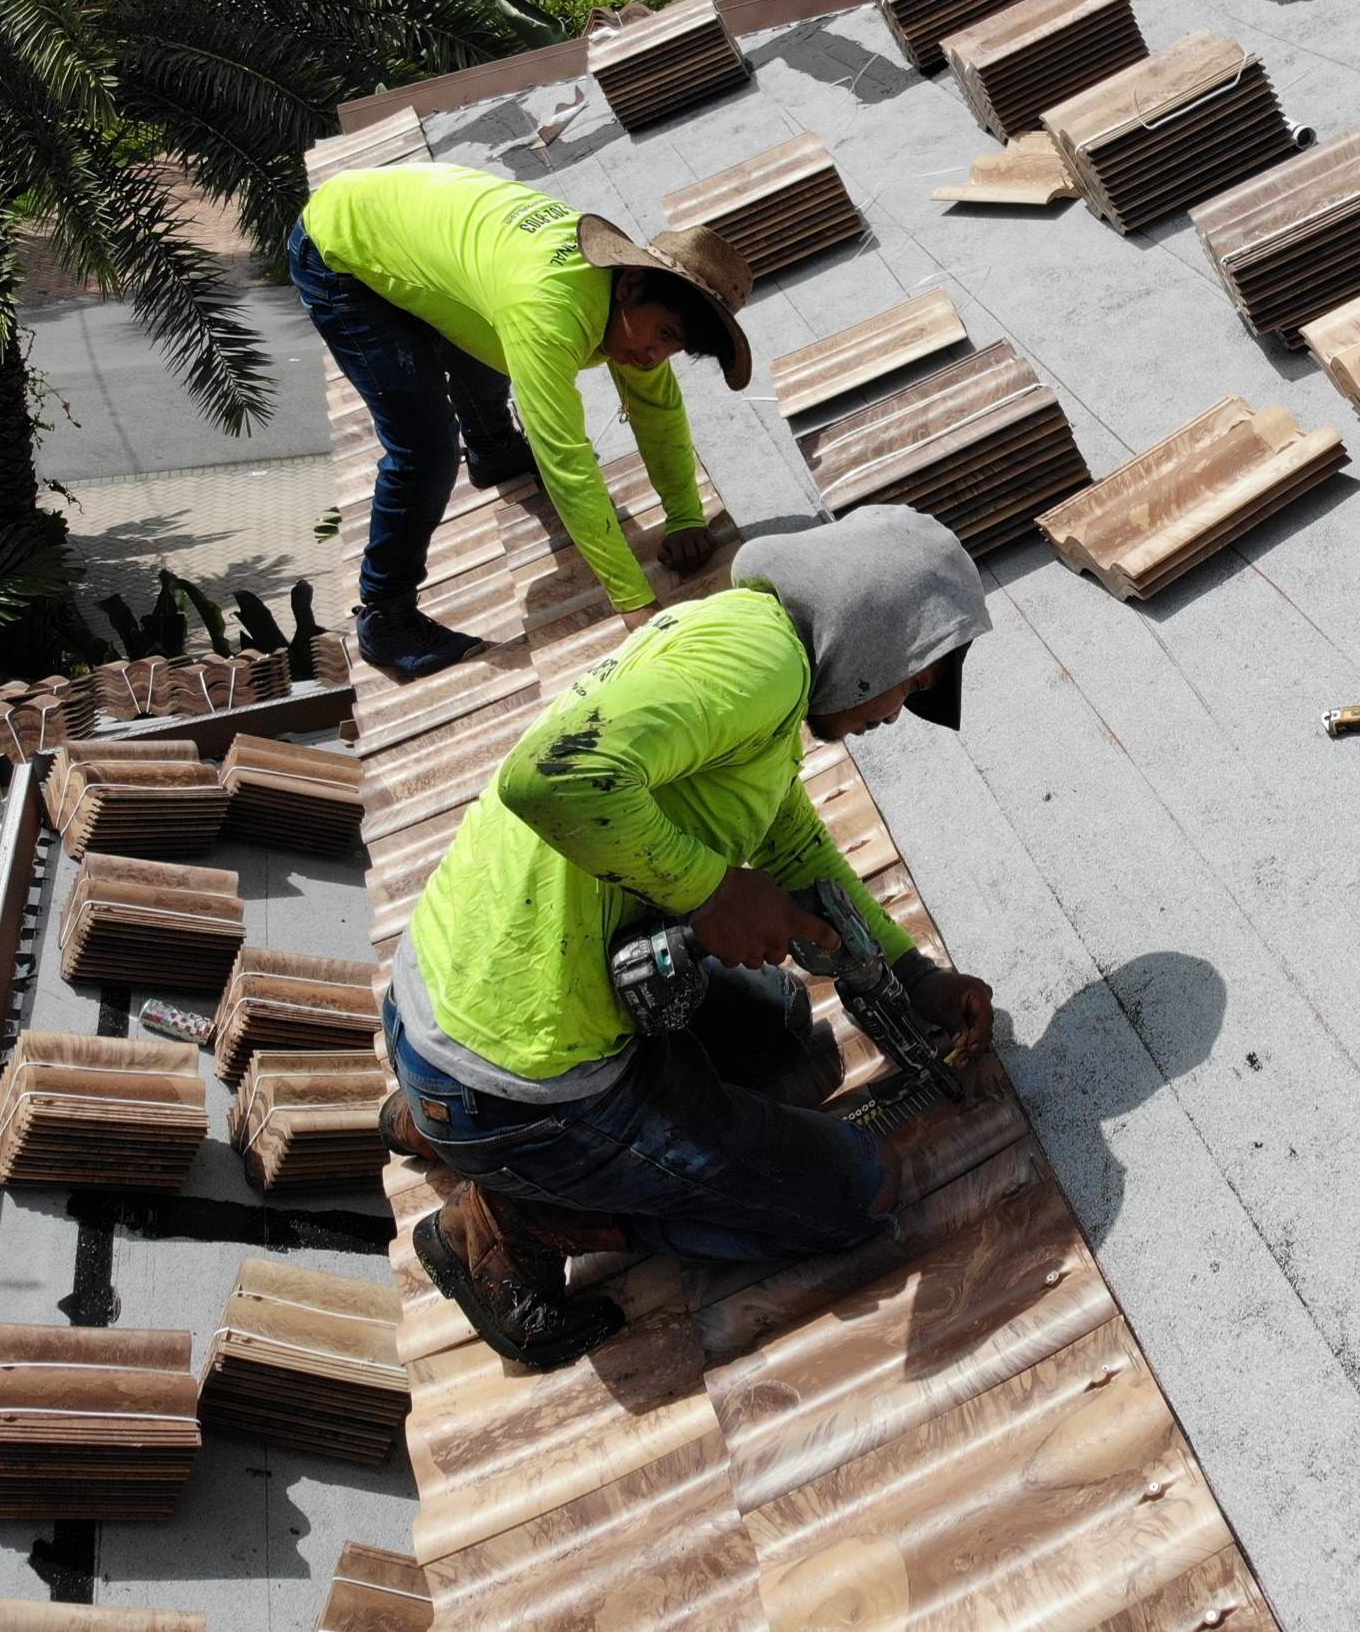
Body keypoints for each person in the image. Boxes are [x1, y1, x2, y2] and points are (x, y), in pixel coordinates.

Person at [379, 505, 998, 1367]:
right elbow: (549, 777)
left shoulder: (741, 641)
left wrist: (910, 971)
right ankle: (509, 1214)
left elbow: (790, 842)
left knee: (781, 1023)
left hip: (440, 996)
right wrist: (709, 893)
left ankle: (429, 1115)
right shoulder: (763, 668)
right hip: (519, 1083)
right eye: (915, 680)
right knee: (859, 1190)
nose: (901, 711)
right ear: (873, 641)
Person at [288, 158, 754, 680]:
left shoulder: (635, 304)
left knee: (485, 328)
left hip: (417, 228)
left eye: (676, 346)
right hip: (342, 248)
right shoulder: (551, 310)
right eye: (664, 335)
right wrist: (635, 605)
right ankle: (385, 615)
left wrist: (686, 515)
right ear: (630, 286)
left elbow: (658, 409)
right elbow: (567, 464)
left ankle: (494, 448)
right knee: (425, 449)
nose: (655, 357)